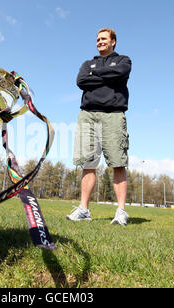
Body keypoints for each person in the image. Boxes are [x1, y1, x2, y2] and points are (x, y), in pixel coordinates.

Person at [66, 28, 132, 226]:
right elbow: (81, 81)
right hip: (88, 116)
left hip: (113, 115)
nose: (99, 42)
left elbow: (119, 73)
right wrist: (105, 75)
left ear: (113, 42)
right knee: (87, 163)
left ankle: (121, 212)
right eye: (97, 39)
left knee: (117, 163)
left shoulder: (123, 60)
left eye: (103, 39)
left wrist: (96, 74)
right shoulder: (88, 63)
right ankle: (84, 210)